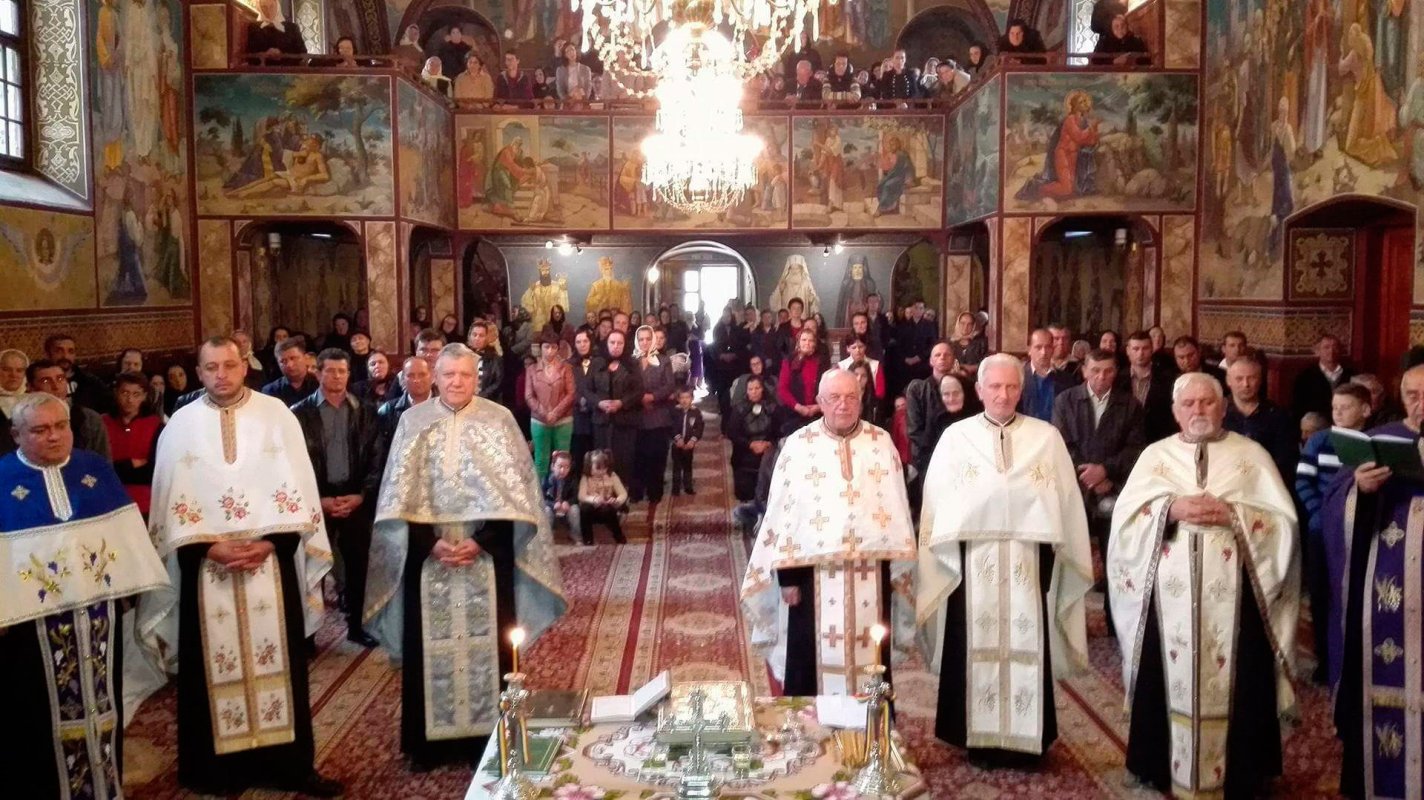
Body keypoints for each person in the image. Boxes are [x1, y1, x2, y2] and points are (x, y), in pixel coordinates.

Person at [142, 337, 339, 796]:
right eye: (211, 367)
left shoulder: (277, 416)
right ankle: (216, 771)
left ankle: (291, 767)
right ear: (199, 372)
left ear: (243, 366)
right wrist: (207, 549)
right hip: (204, 569)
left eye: (229, 365)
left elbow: (299, 491)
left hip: (270, 565)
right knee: (208, 670)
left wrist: (271, 542)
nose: (221, 375)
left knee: (281, 664)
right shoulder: (180, 426)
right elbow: (169, 506)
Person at [364, 343, 566, 769]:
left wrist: (484, 541)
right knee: (426, 648)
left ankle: (487, 740)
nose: (457, 382)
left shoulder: (500, 420)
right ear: (435, 377)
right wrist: (428, 543)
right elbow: (397, 496)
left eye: (465, 375)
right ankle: (427, 747)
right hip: (427, 556)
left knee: (490, 648)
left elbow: (519, 499)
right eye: (449, 375)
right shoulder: (412, 422)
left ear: (478, 378)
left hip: (487, 557)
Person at [1108, 372, 1298, 798]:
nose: (1198, 410)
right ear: (1175, 412)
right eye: (1189, 404)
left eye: (1207, 402)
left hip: (1239, 595)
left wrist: (1236, 516)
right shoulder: (1156, 457)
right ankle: (1158, 763)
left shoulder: (1251, 455)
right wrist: (1168, 509)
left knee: (1244, 674)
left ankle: (1243, 771)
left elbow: (1283, 523)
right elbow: (1125, 522)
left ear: (1223, 407)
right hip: (1167, 596)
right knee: (1161, 672)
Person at [916, 353, 1092, 762]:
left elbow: (1065, 504)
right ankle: (973, 737)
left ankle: (1027, 742)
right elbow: (936, 503)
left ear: (1021, 390)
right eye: (994, 387)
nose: (1003, 394)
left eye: (1012, 387)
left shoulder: (1046, 438)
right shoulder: (955, 438)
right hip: (970, 564)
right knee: (970, 641)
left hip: (1029, 562)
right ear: (979, 390)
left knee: (1028, 638)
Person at [0, 393, 172, 798]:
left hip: (98, 622)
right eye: (40, 430)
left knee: (104, 708)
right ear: (16, 434)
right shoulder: (2, 479)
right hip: (29, 631)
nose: (54, 436)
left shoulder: (94, 470)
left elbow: (126, 537)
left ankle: (103, 788)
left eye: (61, 427)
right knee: (32, 717)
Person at [741, 369, 916, 695]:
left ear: (861, 399)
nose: (843, 405)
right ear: (820, 401)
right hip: (811, 578)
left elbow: (896, 512)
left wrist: (896, 574)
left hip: (872, 575)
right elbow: (784, 516)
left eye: (851, 397)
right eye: (834, 398)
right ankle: (810, 725)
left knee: (872, 661)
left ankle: (870, 722)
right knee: (808, 663)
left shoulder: (880, 443)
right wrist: (788, 579)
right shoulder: (799, 446)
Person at [1051, 349, 1146, 634]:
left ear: (1116, 372)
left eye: (1108, 371)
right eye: (1095, 371)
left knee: (1114, 558)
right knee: (1068, 559)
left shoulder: (1130, 405)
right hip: (1074, 490)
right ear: (1084, 371)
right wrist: (1087, 475)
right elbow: (1060, 444)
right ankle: (1066, 624)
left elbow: (1136, 448)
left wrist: (1105, 471)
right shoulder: (1066, 400)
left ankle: (1116, 625)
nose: (1101, 377)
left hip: (1112, 490)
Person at [290, 348, 380, 647]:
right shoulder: (299, 414)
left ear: (349, 374)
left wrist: (361, 495)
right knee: (310, 567)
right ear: (317, 372)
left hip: (355, 498)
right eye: (330, 371)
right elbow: (293, 463)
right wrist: (317, 500)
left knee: (358, 568)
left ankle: (357, 625)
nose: (337, 377)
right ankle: (308, 635)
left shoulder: (365, 411)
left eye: (342, 371)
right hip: (316, 500)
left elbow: (376, 458)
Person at [1294, 382, 1372, 686]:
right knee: (1322, 594)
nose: (1337, 413)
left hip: (1361, 531)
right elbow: (1303, 481)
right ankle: (1325, 661)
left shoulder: (1373, 442)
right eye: (1334, 407)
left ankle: (1355, 660)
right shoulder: (1320, 441)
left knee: (1356, 594)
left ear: (1365, 410)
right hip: (1321, 531)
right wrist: (1322, 515)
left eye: (1346, 407)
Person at [1223, 356, 1297, 484]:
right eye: (1239, 379)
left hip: (1267, 483)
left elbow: (1286, 461)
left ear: (1261, 380)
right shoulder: (1217, 413)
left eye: (1252, 378)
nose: (1246, 384)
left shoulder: (1278, 415)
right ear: (1228, 381)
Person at [102, 371, 163, 517]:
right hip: (110, 502)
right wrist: (130, 464)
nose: (129, 399)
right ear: (116, 393)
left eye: (136, 394)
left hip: (146, 503)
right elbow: (101, 469)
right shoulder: (102, 423)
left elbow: (153, 471)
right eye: (125, 393)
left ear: (144, 396)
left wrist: (118, 467)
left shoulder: (155, 425)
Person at [584, 329, 641, 482]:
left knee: (623, 461)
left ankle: (622, 492)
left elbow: (639, 390)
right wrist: (599, 402)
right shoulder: (596, 363)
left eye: (619, 343)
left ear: (625, 345)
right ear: (606, 344)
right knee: (601, 461)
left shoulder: (632, 363)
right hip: (601, 421)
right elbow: (587, 389)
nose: (616, 346)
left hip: (625, 421)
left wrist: (622, 403)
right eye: (612, 342)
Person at [28, 359, 112, 460]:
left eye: (60, 379)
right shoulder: (23, 421)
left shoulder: (89, 419)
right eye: (46, 381)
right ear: (31, 387)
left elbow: (103, 461)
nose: (55, 386)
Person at [631, 325, 676, 514]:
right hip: (636, 415)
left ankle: (655, 491)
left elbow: (669, 385)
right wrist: (639, 398)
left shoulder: (663, 361)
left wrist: (652, 397)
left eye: (648, 339)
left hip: (659, 414)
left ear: (653, 340)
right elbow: (625, 385)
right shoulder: (631, 361)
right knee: (638, 456)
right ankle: (637, 491)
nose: (644, 342)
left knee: (657, 455)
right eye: (641, 339)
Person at [373, 356, 433, 480]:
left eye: (422, 375)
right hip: (399, 478)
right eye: (410, 375)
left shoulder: (446, 408)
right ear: (403, 380)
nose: (416, 380)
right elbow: (380, 454)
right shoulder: (388, 411)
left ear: (432, 376)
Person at [526, 329, 575, 482]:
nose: (550, 351)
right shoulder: (531, 369)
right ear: (540, 348)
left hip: (563, 420)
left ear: (558, 349)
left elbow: (571, 393)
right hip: (539, 420)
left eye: (554, 347)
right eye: (546, 347)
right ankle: (540, 493)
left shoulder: (566, 368)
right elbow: (529, 396)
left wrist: (555, 413)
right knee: (541, 459)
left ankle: (561, 493)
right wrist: (544, 413)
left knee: (563, 460)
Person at [1292, 333, 1354, 421]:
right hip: (1317, 422)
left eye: (1335, 347)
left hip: (1346, 421)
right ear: (1318, 352)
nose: (1331, 351)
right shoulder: (1306, 376)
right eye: (1326, 347)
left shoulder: (1351, 374)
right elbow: (1298, 406)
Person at [45, 333, 110, 414]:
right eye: (59, 351)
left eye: (70, 351)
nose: (65, 356)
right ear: (48, 354)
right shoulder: (41, 382)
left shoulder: (90, 381)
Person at [1019, 329, 1075, 421]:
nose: (1044, 352)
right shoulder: (1018, 377)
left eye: (1048, 347)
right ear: (1029, 350)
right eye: (1038, 347)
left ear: (1053, 349)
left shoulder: (1066, 380)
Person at [778, 328, 825, 435]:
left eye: (810, 340)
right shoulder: (789, 361)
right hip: (793, 414)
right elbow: (782, 389)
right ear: (798, 342)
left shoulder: (821, 362)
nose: (807, 343)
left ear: (815, 344)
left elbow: (828, 389)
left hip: (817, 414)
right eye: (804, 340)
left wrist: (818, 407)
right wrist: (798, 407)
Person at [579, 449, 629, 544]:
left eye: (604, 468)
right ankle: (588, 540)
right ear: (590, 466)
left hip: (607, 508)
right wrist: (594, 499)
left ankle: (618, 536)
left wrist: (616, 501)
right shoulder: (586, 478)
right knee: (584, 509)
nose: (602, 471)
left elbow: (623, 493)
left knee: (609, 510)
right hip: (592, 508)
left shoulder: (611, 475)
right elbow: (581, 496)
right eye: (598, 468)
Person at [261, 338, 318, 405]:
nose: (289, 365)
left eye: (293, 358)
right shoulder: (270, 391)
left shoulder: (320, 384)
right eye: (283, 361)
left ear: (305, 358)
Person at [670, 387, 703, 496]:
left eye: (687, 397)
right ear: (678, 399)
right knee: (676, 467)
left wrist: (693, 440)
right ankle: (675, 488)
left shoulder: (696, 412)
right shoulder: (674, 411)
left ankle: (688, 487)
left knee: (688, 466)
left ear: (692, 398)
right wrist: (677, 438)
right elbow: (672, 426)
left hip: (689, 445)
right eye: (682, 398)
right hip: (677, 444)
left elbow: (699, 427)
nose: (684, 400)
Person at [543, 450, 581, 544]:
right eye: (560, 466)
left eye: (567, 467)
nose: (563, 470)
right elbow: (541, 498)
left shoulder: (572, 480)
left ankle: (576, 535)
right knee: (546, 511)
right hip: (552, 507)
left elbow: (575, 496)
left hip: (565, 508)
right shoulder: (546, 479)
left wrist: (568, 502)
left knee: (575, 509)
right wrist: (553, 504)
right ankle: (547, 537)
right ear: (553, 466)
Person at [466, 320, 504, 401]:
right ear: (469, 336)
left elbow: (498, 383)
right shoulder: (462, 355)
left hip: (486, 400)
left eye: (481, 336)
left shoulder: (495, 359)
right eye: (474, 335)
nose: (477, 338)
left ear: (486, 338)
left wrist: (481, 396)